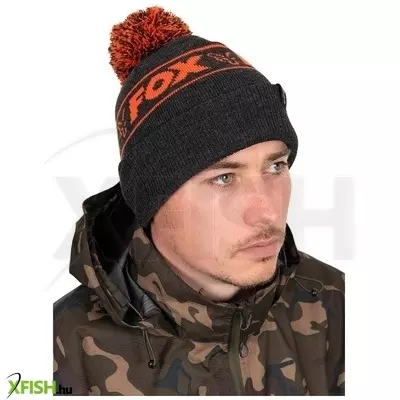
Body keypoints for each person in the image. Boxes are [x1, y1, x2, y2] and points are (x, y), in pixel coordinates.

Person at [53, 6, 345, 396]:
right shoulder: (56, 347)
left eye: (276, 166)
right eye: (224, 178)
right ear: (151, 196)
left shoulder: (340, 306)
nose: (268, 211)